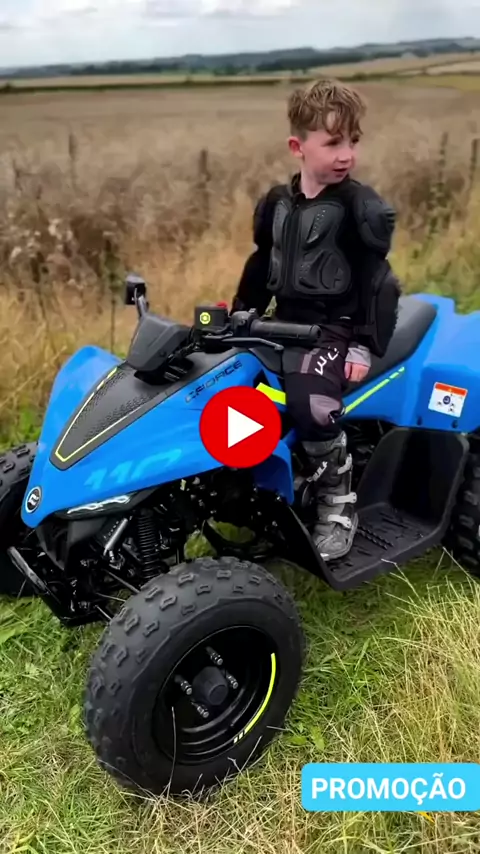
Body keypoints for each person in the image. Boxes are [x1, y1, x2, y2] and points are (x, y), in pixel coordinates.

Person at [230, 78, 401, 562]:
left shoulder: (360, 207)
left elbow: (378, 280)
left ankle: (337, 499)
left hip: (334, 328)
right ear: (297, 146)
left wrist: (362, 344)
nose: (347, 154)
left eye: (353, 141)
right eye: (333, 143)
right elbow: (261, 265)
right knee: (226, 382)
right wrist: (240, 313)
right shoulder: (275, 204)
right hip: (279, 323)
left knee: (312, 406)